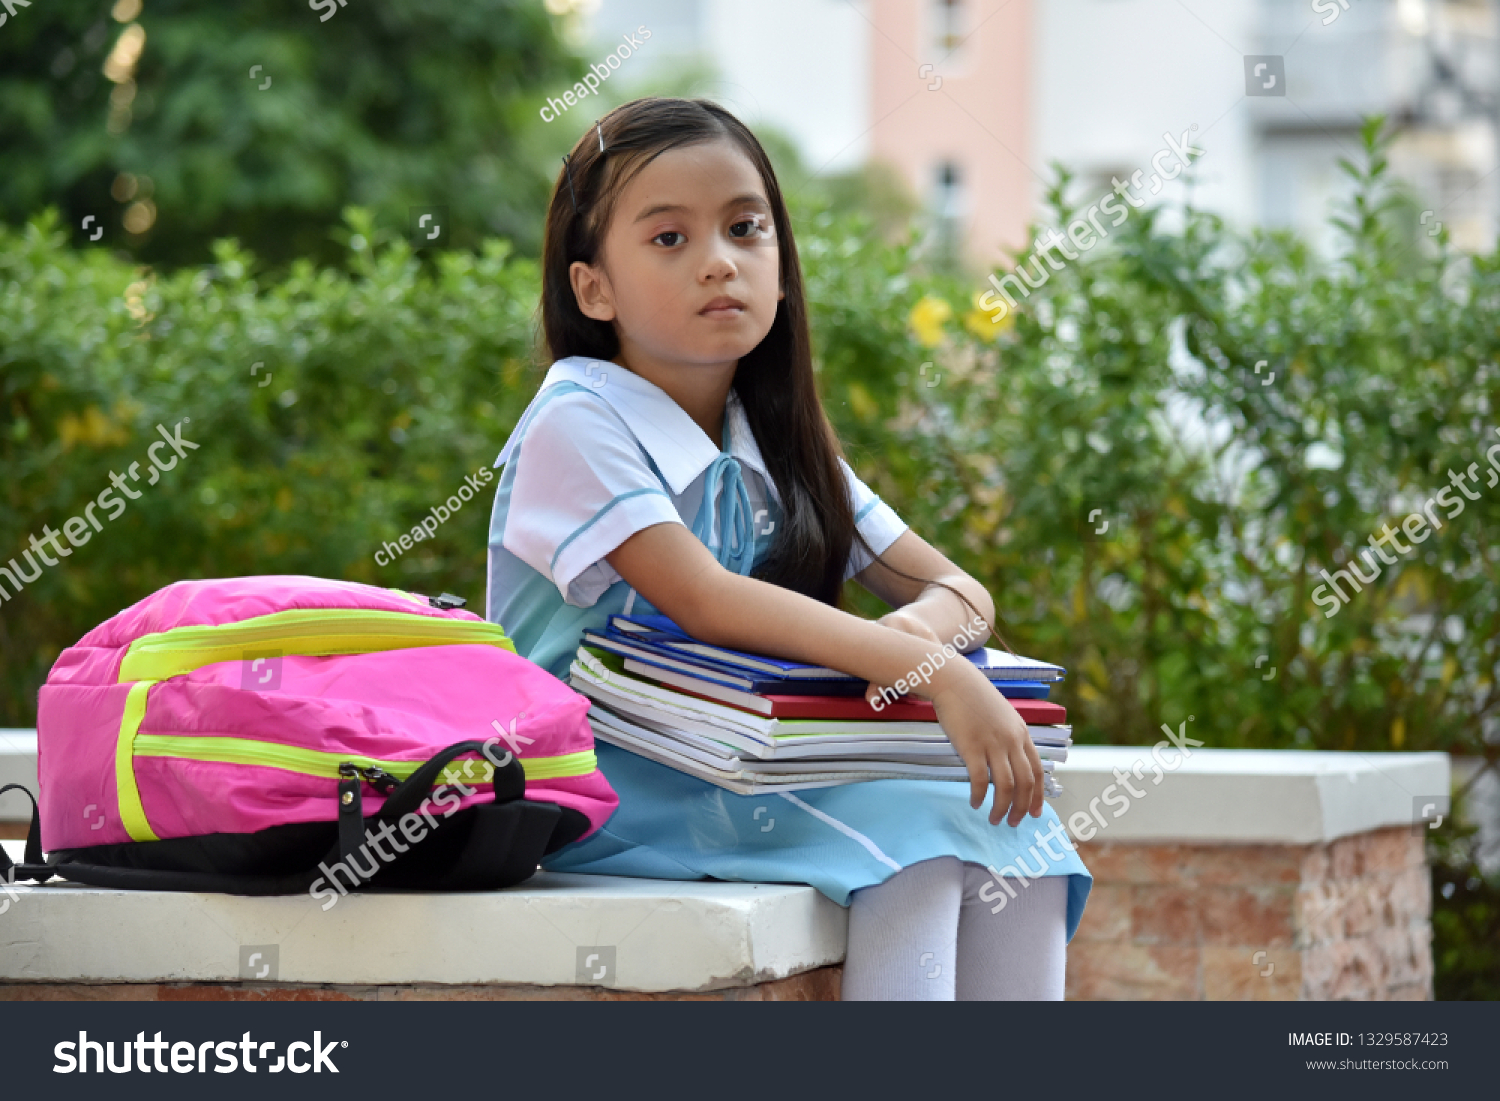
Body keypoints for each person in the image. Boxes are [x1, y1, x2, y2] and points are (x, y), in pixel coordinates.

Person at [486, 97, 1090, 1000]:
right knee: (917, 848)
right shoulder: (578, 419)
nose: (719, 261)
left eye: (745, 227)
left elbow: (957, 588)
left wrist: (925, 643)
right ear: (592, 289)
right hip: (601, 781)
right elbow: (707, 600)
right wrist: (937, 672)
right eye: (668, 239)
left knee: (1030, 841)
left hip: (733, 759)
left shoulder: (774, 438)